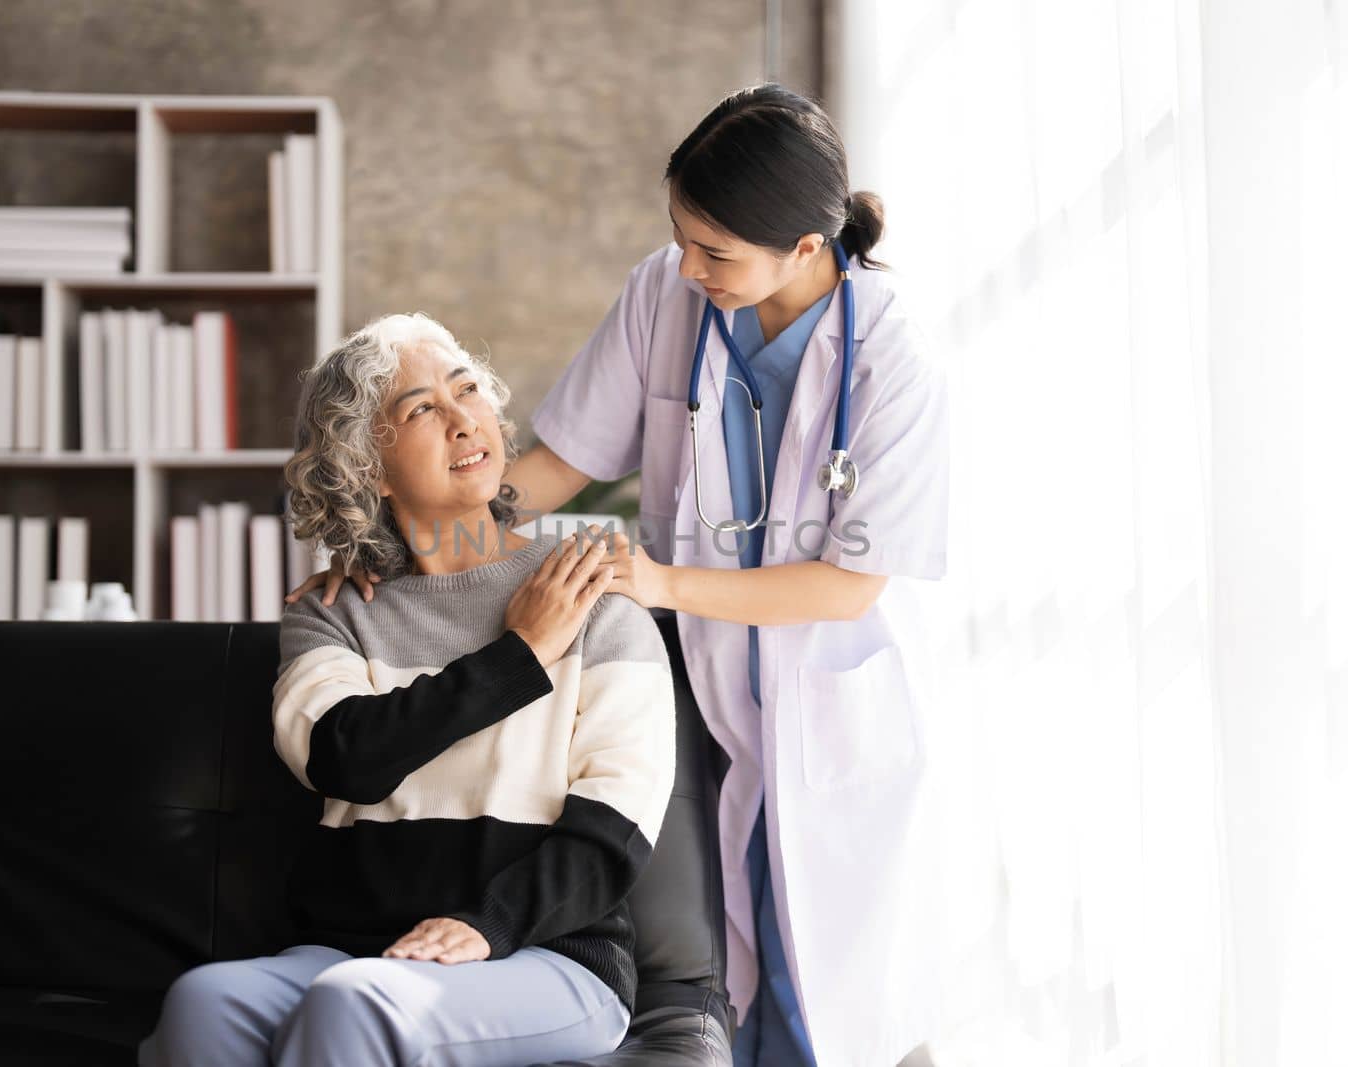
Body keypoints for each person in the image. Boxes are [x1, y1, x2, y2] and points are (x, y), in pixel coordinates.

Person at [288, 84, 948, 1067]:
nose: (688, 266)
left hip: (819, 701)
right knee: (710, 957)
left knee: (820, 984)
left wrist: (659, 582)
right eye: (681, 236)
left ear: (806, 248)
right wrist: (402, 535)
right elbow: (558, 461)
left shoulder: (888, 357)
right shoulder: (666, 292)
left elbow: (850, 584)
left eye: (714, 252)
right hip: (687, 680)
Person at [140, 313, 676, 1067]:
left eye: (468, 392)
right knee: (204, 1003)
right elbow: (345, 758)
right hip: (354, 950)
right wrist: (519, 654)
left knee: (356, 1001)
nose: (463, 421)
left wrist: (487, 923)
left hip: (544, 954)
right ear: (371, 468)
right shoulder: (334, 613)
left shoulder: (592, 597)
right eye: (422, 408)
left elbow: (616, 825)